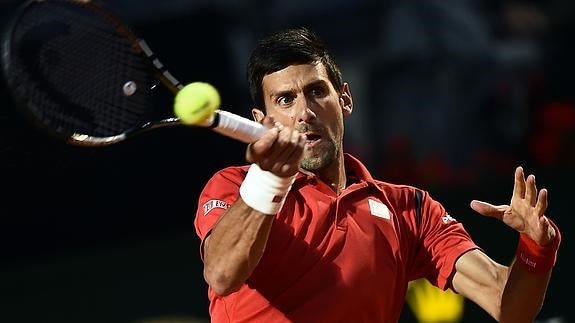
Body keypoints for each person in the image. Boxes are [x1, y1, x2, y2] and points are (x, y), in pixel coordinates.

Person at [193, 27, 562, 323]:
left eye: (317, 91)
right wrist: (270, 177)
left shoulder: (409, 209)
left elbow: (507, 306)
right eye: (285, 99)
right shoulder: (235, 187)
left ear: (345, 100)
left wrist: (535, 249)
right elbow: (223, 275)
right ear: (263, 121)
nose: (304, 112)